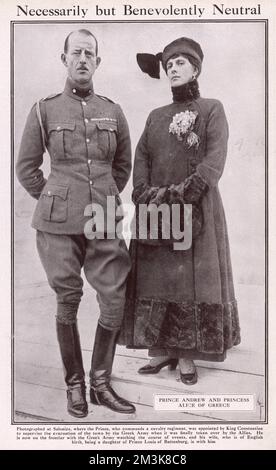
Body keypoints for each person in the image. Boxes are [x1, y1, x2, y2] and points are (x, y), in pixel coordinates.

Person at [16, 29, 136, 417]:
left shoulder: (113, 111)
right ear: (63, 59)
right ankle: (75, 386)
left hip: (103, 218)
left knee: (114, 298)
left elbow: (122, 167)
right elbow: (27, 168)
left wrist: (99, 199)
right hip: (57, 226)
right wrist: (56, 200)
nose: (83, 59)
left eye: (90, 54)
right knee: (67, 300)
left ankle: (101, 383)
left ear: (98, 63)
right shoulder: (43, 110)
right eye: (76, 53)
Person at [119, 37, 241, 385]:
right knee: (158, 276)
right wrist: (143, 193)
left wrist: (186, 193)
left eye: (180, 63)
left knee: (186, 279)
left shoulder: (212, 109)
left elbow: (214, 159)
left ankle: (186, 356)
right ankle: (163, 350)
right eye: (169, 64)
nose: (173, 68)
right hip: (156, 210)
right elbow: (141, 158)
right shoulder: (156, 117)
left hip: (197, 209)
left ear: (195, 69)